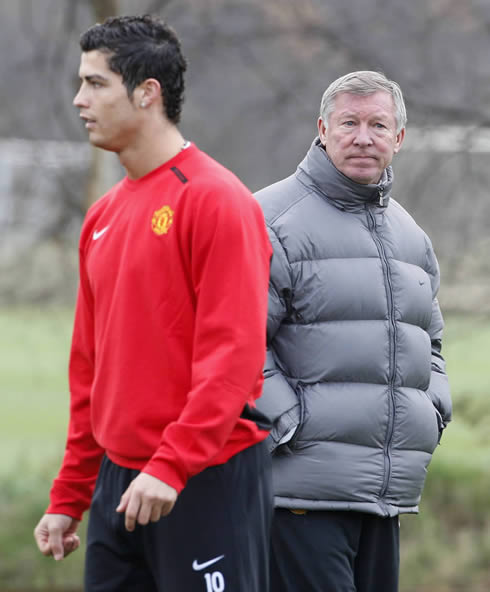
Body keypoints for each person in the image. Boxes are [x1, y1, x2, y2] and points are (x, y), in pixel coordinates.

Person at [34, 15, 273, 592]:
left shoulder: (216, 201)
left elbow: (232, 359)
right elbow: (91, 370)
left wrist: (171, 465)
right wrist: (71, 492)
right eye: (81, 83)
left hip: (200, 478)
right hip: (120, 485)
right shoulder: (103, 215)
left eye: (96, 84)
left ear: (147, 93)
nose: (79, 99)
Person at [255, 70, 452, 592]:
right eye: (349, 123)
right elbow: (235, 344)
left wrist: (433, 410)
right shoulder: (270, 220)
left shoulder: (411, 235)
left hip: (384, 499)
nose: (363, 137)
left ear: (399, 138)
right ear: (322, 128)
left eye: (378, 125)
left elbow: (429, 343)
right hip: (299, 499)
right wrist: (290, 425)